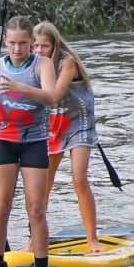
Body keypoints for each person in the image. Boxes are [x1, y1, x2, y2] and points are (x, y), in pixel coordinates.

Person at [0, 15, 58, 267]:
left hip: (34, 142)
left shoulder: (42, 64)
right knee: (1, 206)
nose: (17, 48)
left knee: (36, 208)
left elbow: (51, 97)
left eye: (23, 43)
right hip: (3, 142)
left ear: (32, 42)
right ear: (5, 41)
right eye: (12, 43)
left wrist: (21, 87)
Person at [34, 21, 103, 254]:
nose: (39, 51)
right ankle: (34, 239)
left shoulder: (67, 62)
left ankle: (92, 239)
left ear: (55, 45)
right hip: (54, 122)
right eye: (35, 46)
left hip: (79, 122)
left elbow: (55, 95)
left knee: (79, 178)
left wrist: (23, 91)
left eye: (45, 46)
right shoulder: (32, 64)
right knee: (43, 183)